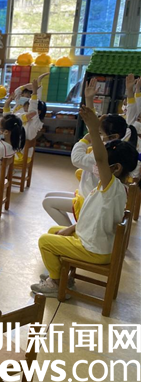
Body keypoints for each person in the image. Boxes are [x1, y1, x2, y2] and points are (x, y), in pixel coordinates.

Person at [31, 106, 139, 297]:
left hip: (94, 249)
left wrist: (93, 130)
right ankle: (62, 276)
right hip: (95, 241)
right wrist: (72, 228)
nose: (97, 165)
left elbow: (100, 158)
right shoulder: (109, 188)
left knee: (45, 241)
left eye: (101, 164)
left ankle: (56, 283)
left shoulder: (112, 187)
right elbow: (91, 217)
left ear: (116, 168)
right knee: (54, 231)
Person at [42, 80, 136, 226]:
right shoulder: (117, 145)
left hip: (90, 203)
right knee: (49, 196)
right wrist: (90, 100)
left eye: (100, 133)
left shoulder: (105, 154)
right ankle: (72, 229)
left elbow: (76, 158)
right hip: (88, 194)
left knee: (48, 203)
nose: (96, 134)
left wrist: (84, 140)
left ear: (113, 136)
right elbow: (93, 126)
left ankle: (72, 231)